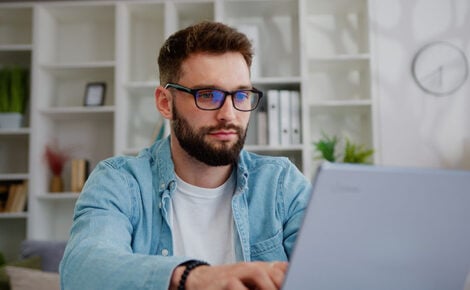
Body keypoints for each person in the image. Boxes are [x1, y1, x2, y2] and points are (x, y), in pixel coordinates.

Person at [59, 21, 311, 290]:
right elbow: (81, 270)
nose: (229, 114)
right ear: (165, 103)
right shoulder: (120, 182)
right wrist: (193, 277)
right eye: (208, 95)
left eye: (241, 95)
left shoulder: (281, 183)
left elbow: (330, 270)